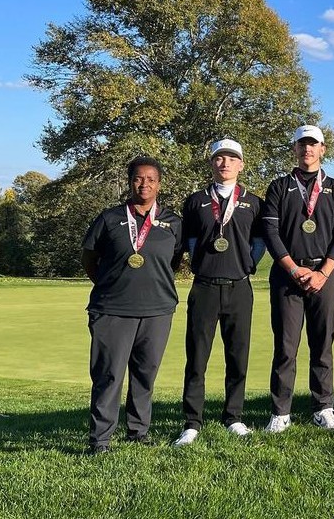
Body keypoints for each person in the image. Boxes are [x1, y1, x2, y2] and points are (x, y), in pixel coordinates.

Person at [81, 156, 182, 454]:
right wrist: (109, 284)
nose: (145, 184)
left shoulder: (173, 222)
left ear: (159, 184)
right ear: (130, 181)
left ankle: (138, 432)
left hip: (158, 310)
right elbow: (89, 258)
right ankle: (100, 440)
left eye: (151, 178)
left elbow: (173, 261)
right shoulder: (109, 218)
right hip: (112, 310)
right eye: (139, 178)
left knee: (145, 374)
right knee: (109, 375)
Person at [173, 139, 265, 446]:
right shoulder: (196, 200)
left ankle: (233, 417)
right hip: (205, 287)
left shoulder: (253, 202)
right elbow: (188, 240)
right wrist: (202, 261)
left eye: (231, 159)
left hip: (239, 287)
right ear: (212, 163)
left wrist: (247, 263)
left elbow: (260, 240)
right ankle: (192, 422)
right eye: (219, 158)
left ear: (241, 164)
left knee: (237, 357)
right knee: (197, 357)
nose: (225, 163)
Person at [261, 125, 334, 433]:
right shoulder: (279, 186)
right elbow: (271, 233)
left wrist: (323, 272)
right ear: (295, 149)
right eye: (302, 144)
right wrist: (293, 269)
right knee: (286, 346)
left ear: (323, 149)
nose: (307, 150)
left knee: (322, 344)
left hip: (325, 276)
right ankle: (280, 411)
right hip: (288, 276)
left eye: (313, 144)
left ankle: (323, 407)